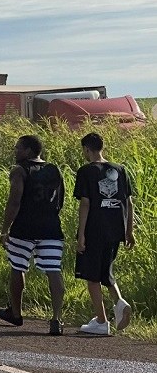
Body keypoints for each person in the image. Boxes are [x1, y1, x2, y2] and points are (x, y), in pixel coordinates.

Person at [0, 135, 66, 336]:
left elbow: (14, 201)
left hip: (24, 229)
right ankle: (56, 319)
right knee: (54, 270)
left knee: (18, 267)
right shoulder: (54, 170)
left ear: (28, 151)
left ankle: (16, 313)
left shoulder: (19, 171)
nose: (15, 151)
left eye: (18, 148)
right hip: (51, 228)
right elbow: (60, 200)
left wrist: (5, 229)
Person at [73, 133, 136, 335]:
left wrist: (81, 235)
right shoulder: (120, 169)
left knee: (92, 277)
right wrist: (129, 231)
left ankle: (101, 321)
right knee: (106, 272)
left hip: (94, 229)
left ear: (87, 149)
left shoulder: (86, 171)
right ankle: (119, 303)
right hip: (115, 229)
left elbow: (86, 203)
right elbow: (128, 202)